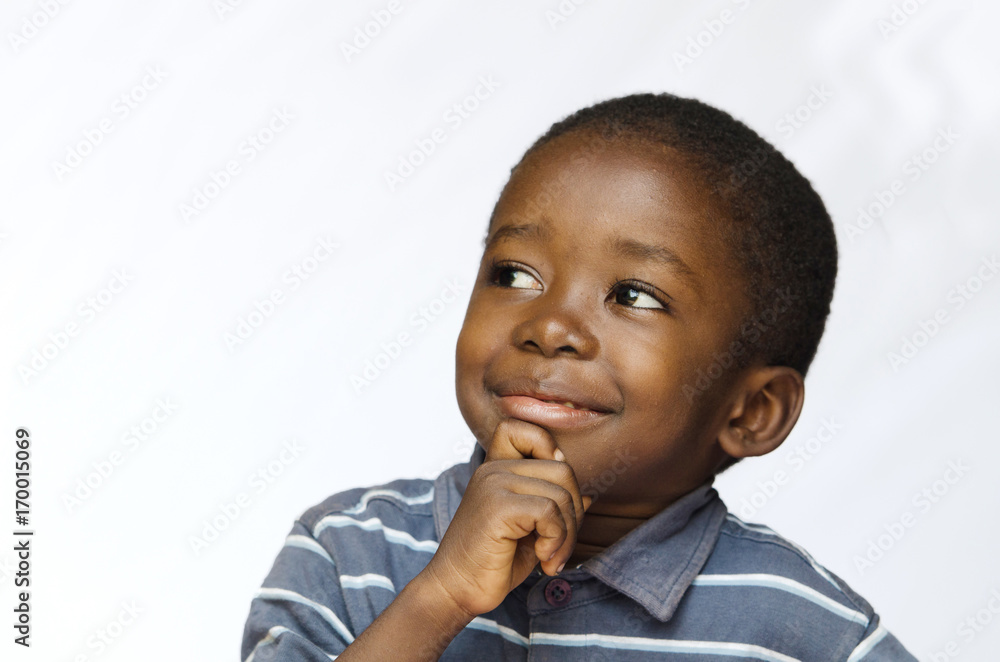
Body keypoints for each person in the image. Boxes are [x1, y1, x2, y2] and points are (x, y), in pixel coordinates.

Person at [241, 92, 917, 661]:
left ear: (751, 411)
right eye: (514, 274)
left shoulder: (802, 626)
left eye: (635, 296)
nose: (550, 325)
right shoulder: (349, 551)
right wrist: (442, 595)